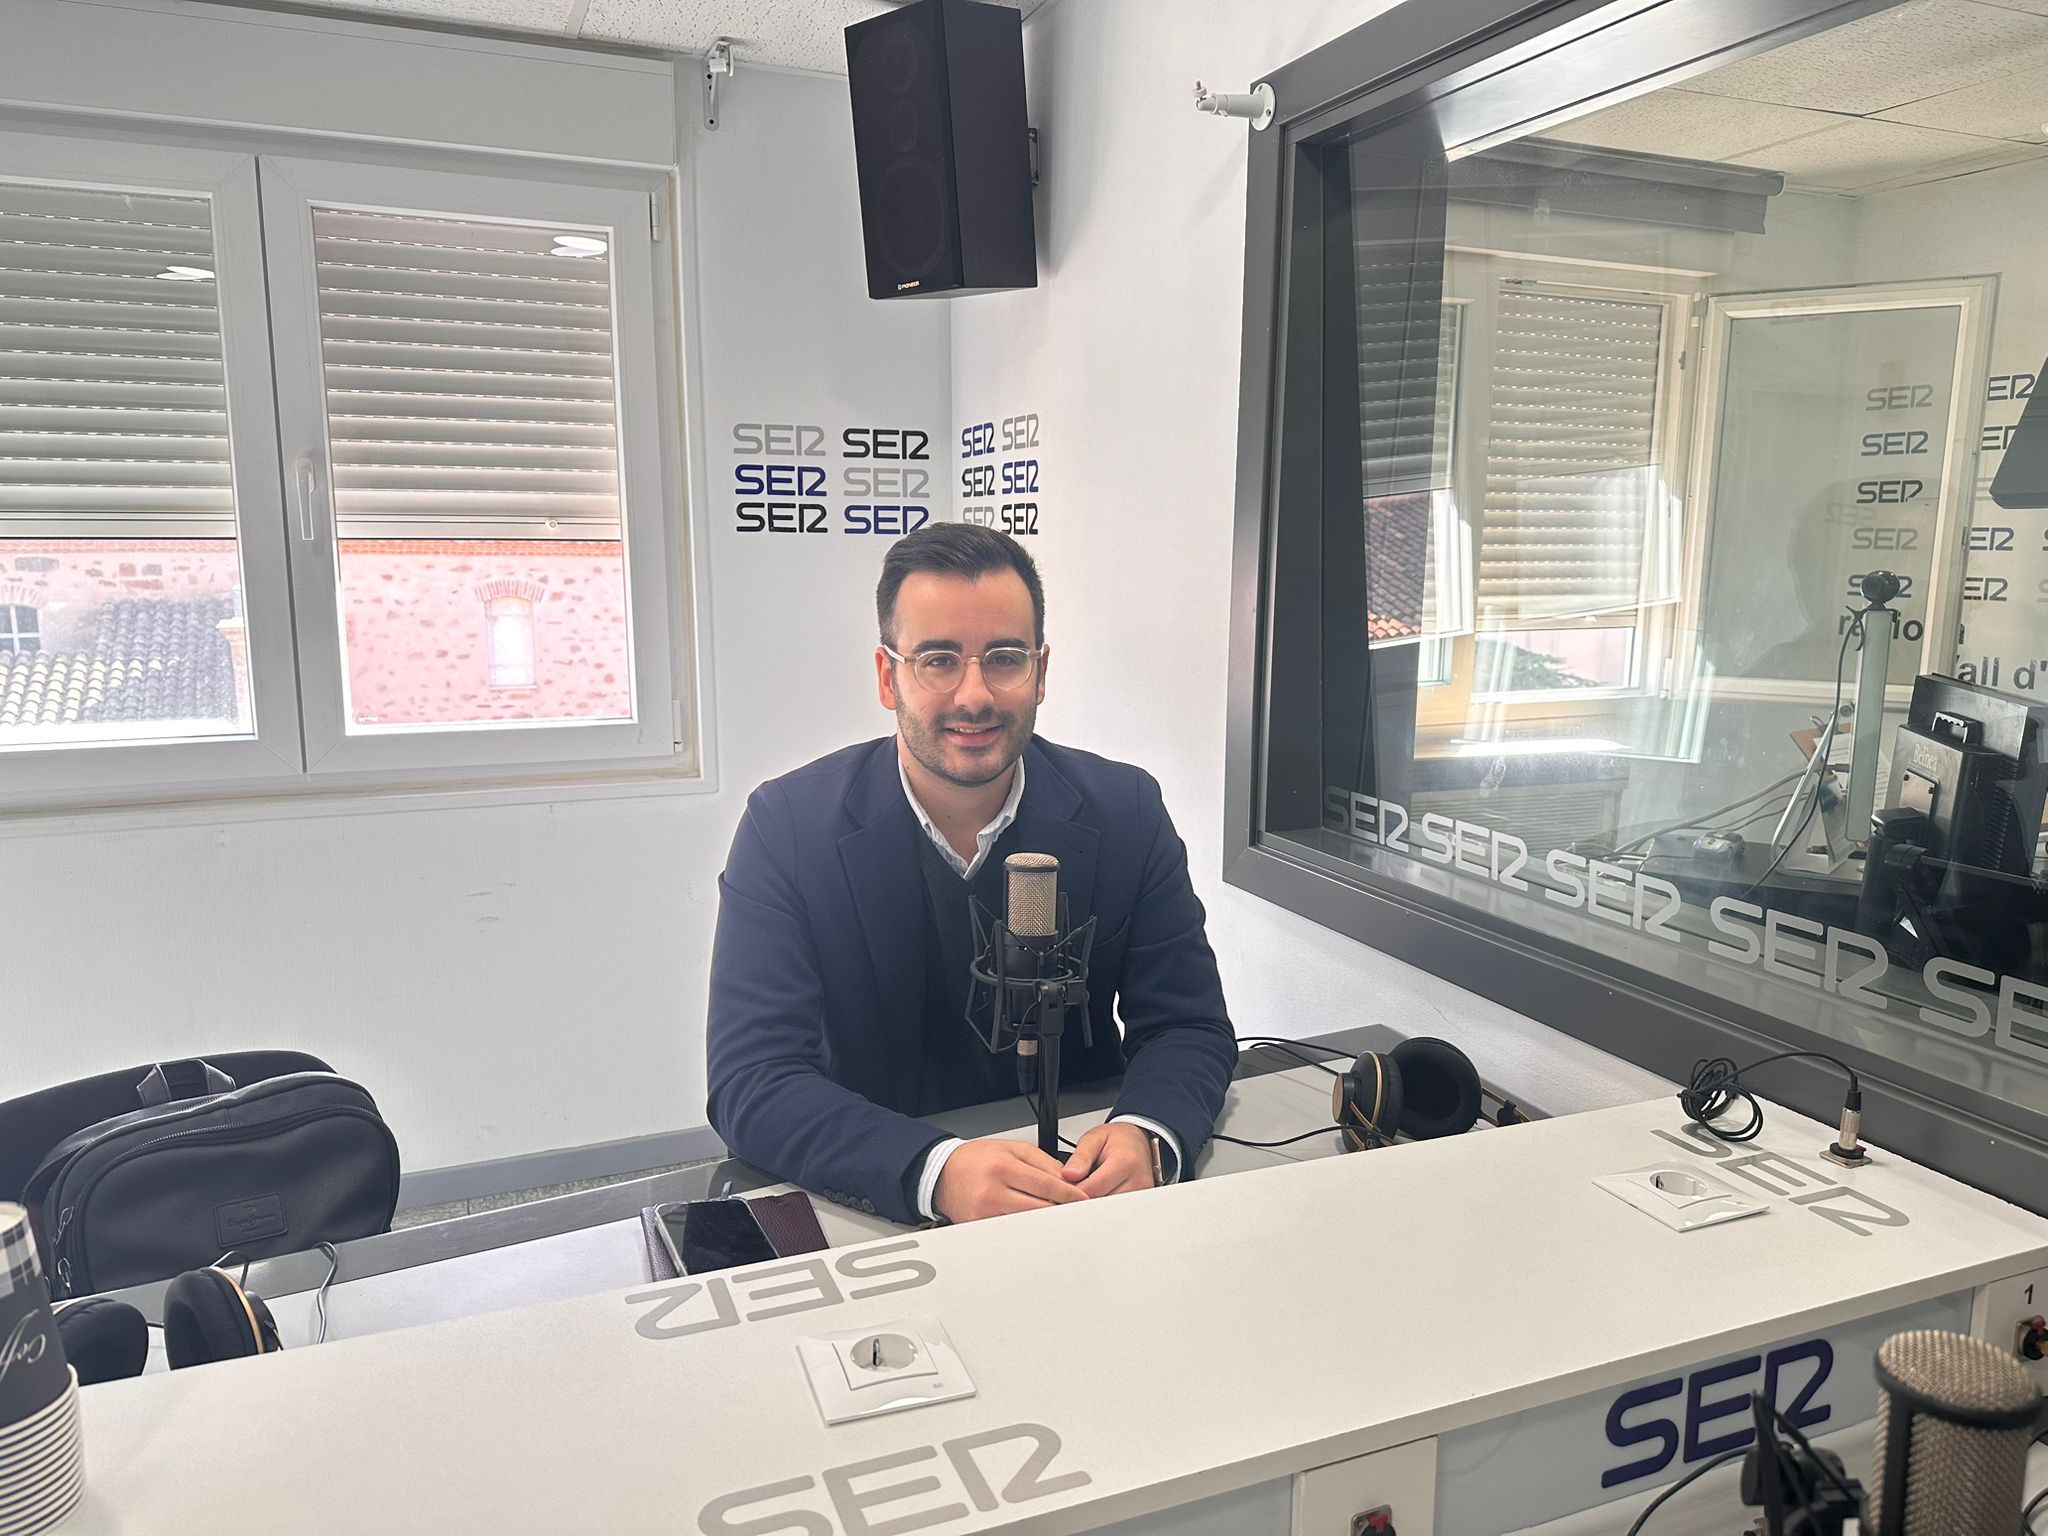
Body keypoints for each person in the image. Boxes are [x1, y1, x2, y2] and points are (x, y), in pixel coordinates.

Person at [706, 524, 1237, 1225]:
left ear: (1041, 672)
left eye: (1005, 659)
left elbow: (1188, 1026)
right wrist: (933, 1171)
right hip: (879, 1207)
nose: (975, 695)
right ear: (887, 676)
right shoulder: (787, 828)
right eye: (939, 660)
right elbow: (752, 1079)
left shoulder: (1126, 811)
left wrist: (1149, 1132)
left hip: (1082, 1197)